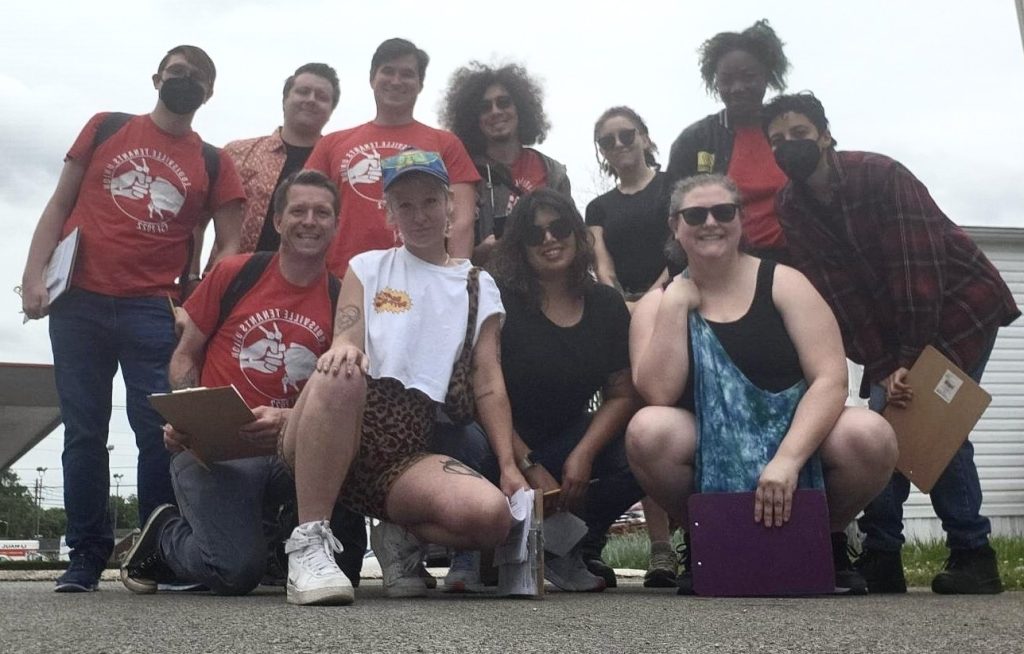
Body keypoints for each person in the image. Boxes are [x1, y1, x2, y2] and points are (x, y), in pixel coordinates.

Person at [763, 92, 1020, 594]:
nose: (788, 146)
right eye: (777, 141)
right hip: (895, 331)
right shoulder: (791, 206)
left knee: (932, 424)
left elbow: (916, 271)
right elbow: (836, 290)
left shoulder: (882, 176)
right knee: (888, 423)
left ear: (825, 134)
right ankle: (885, 557)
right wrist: (882, 365)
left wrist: (909, 360)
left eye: (798, 134)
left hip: (959, 307)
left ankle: (973, 554)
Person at [19, 45, 245, 592]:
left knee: (159, 430)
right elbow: (58, 203)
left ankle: (158, 552)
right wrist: (33, 274)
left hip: (153, 310)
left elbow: (231, 244)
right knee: (84, 431)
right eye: (176, 73)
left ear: (210, 94)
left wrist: (197, 307)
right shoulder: (105, 128)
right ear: (156, 78)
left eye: (196, 78)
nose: (184, 82)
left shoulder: (213, 162)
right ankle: (86, 556)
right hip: (79, 302)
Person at [626, 173, 898, 595]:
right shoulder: (657, 304)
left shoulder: (785, 283)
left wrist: (788, 460)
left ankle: (825, 538)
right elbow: (659, 393)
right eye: (695, 214)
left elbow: (830, 379)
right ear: (674, 225)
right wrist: (675, 304)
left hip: (797, 440)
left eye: (723, 211)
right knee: (647, 431)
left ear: (741, 220)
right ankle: (707, 534)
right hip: (708, 448)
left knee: (871, 435)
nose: (710, 222)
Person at [279, 150, 528, 606]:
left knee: (491, 517)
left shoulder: (478, 284)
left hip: (406, 448)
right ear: (388, 211)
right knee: (344, 368)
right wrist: (347, 346)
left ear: (450, 204)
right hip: (344, 416)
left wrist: (510, 466)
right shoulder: (368, 266)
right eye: (405, 205)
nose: (419, 215)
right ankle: (309, 544)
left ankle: (398, 532)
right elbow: (346, 337)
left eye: (430, 202)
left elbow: (488, 381)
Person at [119, 170, 343, 596]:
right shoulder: (235, 275)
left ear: (335, 224)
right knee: (236, 572)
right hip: (219, 451)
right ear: (277, 220)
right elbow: (186, 354)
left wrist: (290, 417)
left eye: (322, 212)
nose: (310, 220)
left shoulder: (339, 297)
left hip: (289, 450)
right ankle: (165, 537)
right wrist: (186, 411)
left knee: (344, 566)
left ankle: (280, 544)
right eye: (298, 210)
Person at [436, 188, 644, 593]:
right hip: (496, 444)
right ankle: (470, 549)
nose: (549, 239)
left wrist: (583, 455)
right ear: (519, 246)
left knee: (635, 447)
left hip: (564, 443)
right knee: (459, 438)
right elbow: (478, 392)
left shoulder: (605, 304)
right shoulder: (498, 295)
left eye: (559, 227)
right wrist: (528, 464)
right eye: (534, 235)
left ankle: (569, 546)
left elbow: (622, 393)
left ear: (577, 233)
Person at [586, 106, 677, 587]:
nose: (619, 145)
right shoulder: (598, 208)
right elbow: (602, 263)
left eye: (626, 135)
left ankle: (685, 543)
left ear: (644, 136)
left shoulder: (671, 187)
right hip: (620, 320)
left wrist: (655, 296)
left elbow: (679, 249)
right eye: (607, 141)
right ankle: (656, 549)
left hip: (676, 310)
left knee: (677, 419)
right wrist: (622, 301)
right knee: (638, 427)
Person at [305, 38, 480, 276]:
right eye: (388, 71)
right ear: (372, 78)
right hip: (343, 280)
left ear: (420, 85)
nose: (396, 81)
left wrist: (456, 280)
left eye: (407, 74)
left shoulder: (446, 143)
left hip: (425, 278)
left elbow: (461, 221)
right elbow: (305, 209)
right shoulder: (331, 144)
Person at [665, 19, 791, 263]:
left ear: (767, 76)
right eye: (727, 80)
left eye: (748, 77)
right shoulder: (695, 140)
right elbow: (671, 212)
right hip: (724, 265)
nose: (737, 87)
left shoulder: (789, 130)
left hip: (798, 262)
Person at [439, 62, 571, 264]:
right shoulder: (462, 175)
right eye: (484, 107)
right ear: (474, 118)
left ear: (520, 108)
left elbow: (571, 236)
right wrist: (477, 254)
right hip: (487, 285)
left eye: (504, 102)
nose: (495, 111)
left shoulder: (552, 171)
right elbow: (442, 249)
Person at [225, 63, 340, 253]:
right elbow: (200, 215)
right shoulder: (238, 153)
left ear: (331, 109)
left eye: (321, 97)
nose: (311, 100)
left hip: (311, 277)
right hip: (237, 277)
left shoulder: (339, 163)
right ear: (285, 100)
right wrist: (193, 275)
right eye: (303, 91)